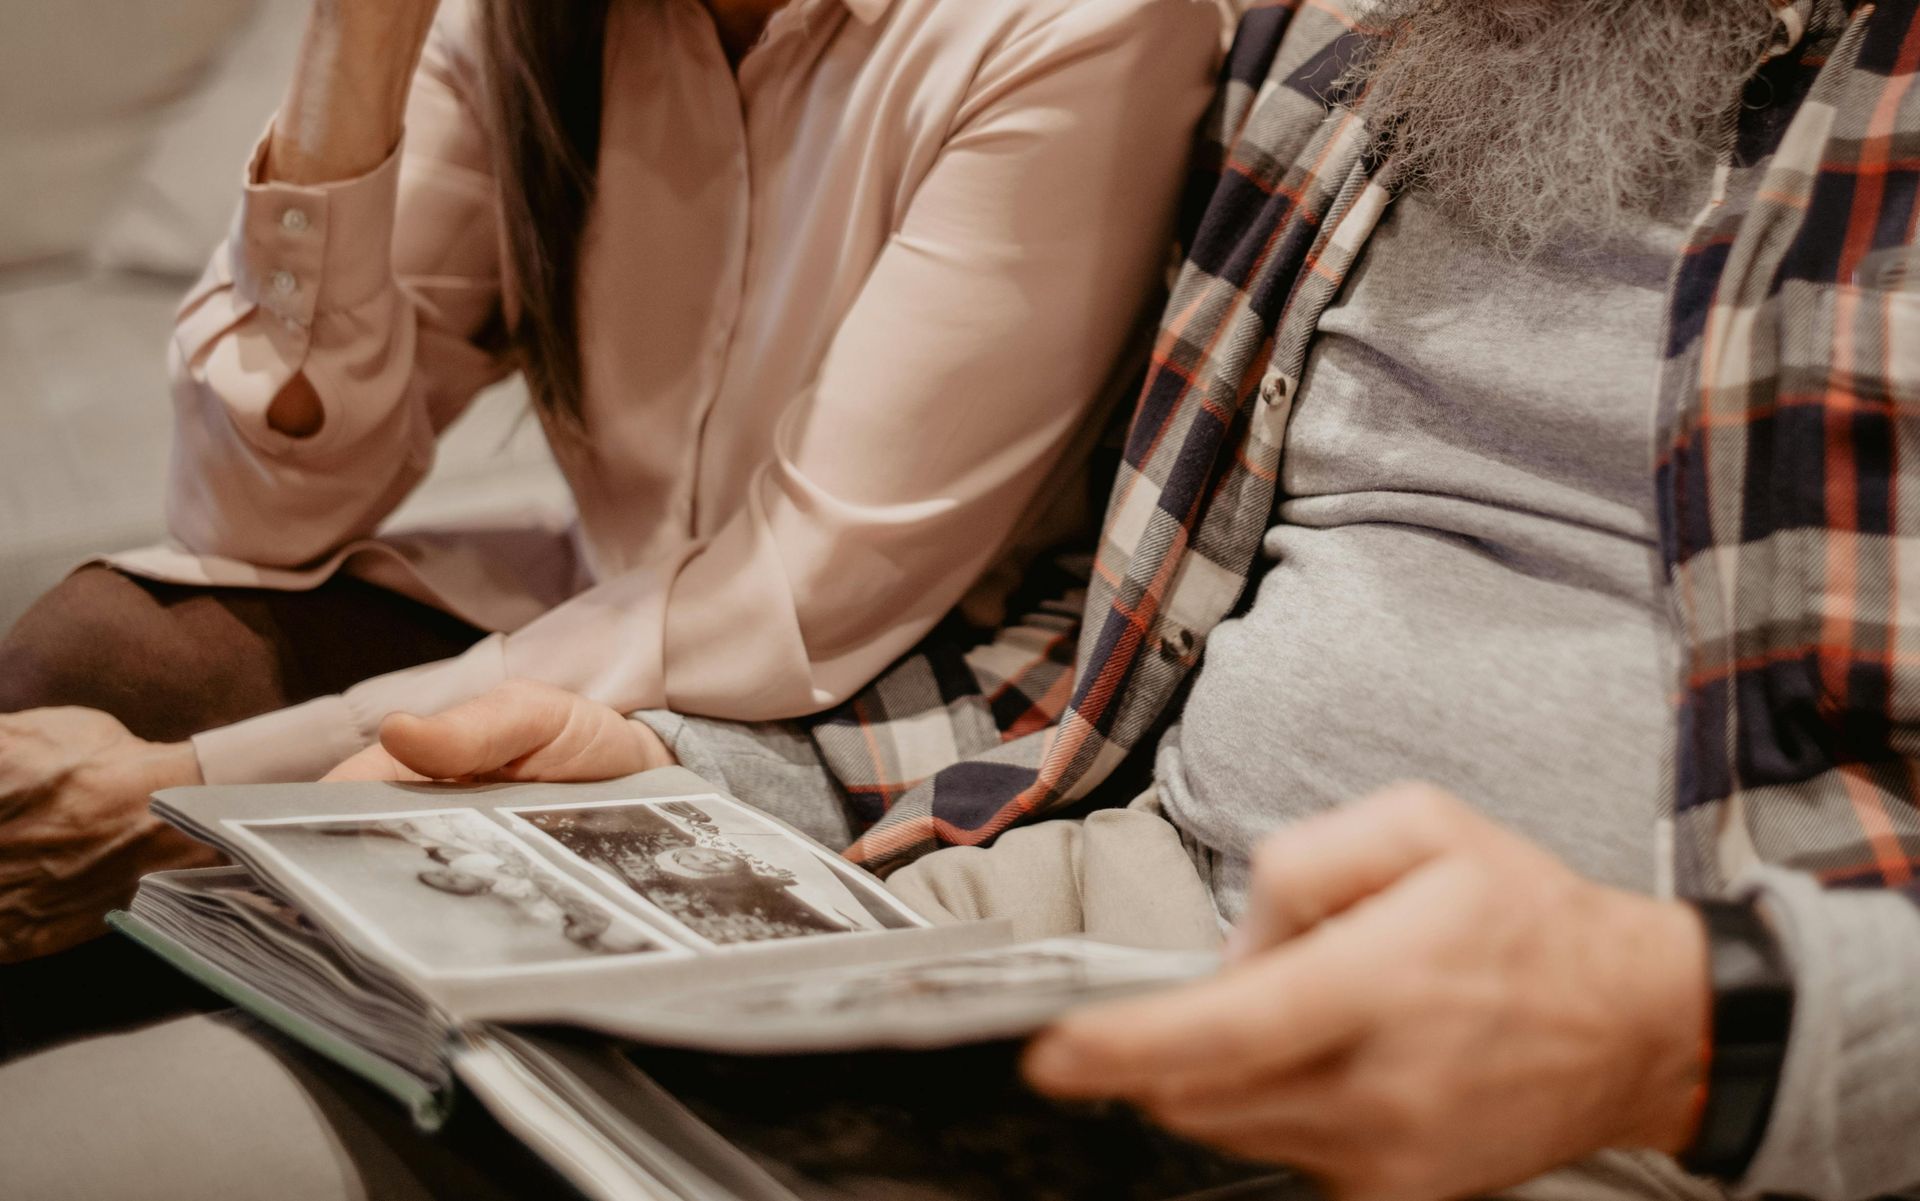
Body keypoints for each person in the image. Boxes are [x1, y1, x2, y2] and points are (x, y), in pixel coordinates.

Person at [6, 0, 1920, 1198]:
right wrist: (671, 771)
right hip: (1075, 916)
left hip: (1642, 1099)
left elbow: (816, 569)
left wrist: (1679, 1028)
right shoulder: (1365, 47)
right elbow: (1096, 638)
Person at [0, 0, 1224, 1037]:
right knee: (104, 655)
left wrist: (202, 795)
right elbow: (254, 507)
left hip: (909, 683)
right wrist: (353, 51)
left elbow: (795, 596)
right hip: (631, 604)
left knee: (133, 744)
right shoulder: (529, 21)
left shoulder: (1080, 25)